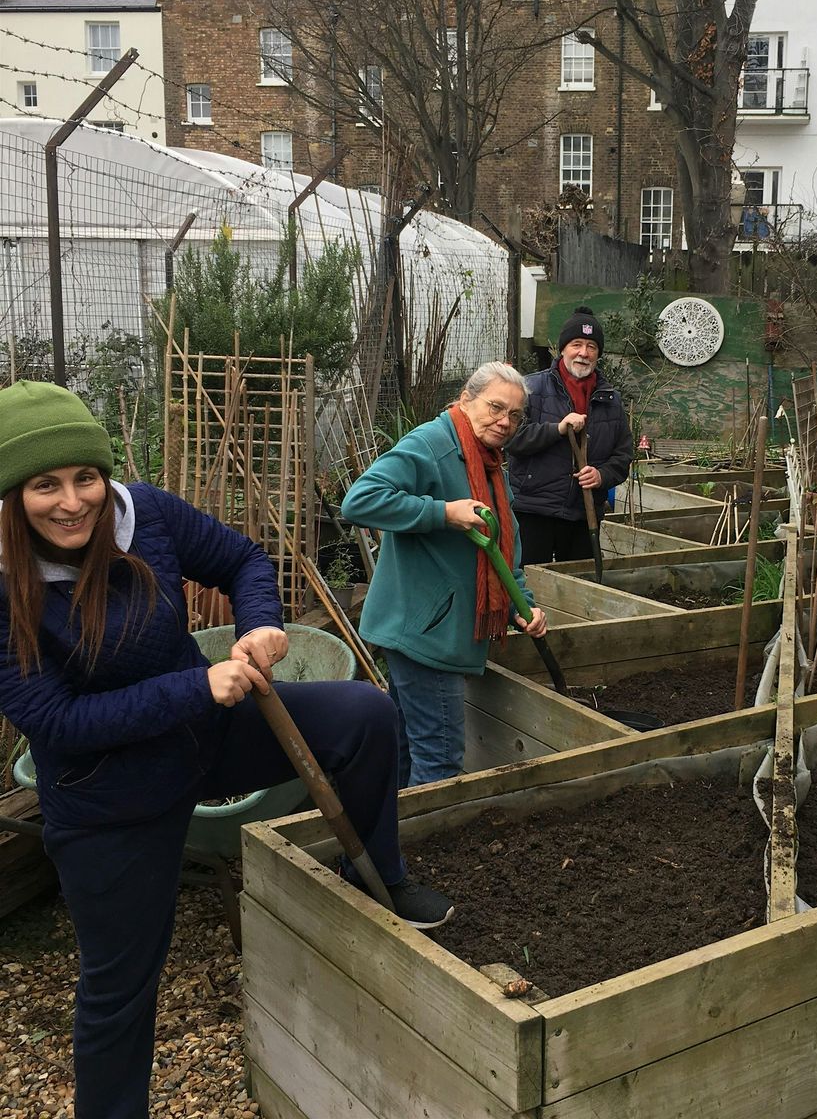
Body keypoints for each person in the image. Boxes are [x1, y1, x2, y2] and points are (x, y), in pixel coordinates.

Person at [0, 381, 452, 1119]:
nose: (73, 500)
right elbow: (57, 721)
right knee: (120, 989)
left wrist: (261, 623)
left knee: (364, 715)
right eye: (44, 485)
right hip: (107, 795)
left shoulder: (143, 514)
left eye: (85, 476)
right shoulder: (5, 583)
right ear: (13, 496)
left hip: (203, 738)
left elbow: (242, 558)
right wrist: (195, 689)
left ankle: (382, 876)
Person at [340, 362, 548, 788]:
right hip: (426, 635)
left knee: (402, 749)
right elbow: (359, 501)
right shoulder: (432, 444)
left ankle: (385, 843)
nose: (504, 421)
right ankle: (418, 849)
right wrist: (442, 512)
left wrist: (521, 606)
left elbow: (505, 547)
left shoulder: (489, 463)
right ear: (466, 400)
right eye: (495, 407)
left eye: (514, 414)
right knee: (440, 759)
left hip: (431, 628)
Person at [506, 307, 634, 564]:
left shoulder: (611, 401)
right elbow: (511, 439)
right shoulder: (530, 388)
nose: (583, 353)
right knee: (528, 585)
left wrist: (601, 475)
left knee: (577, 588)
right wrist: (557, 429)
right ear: (562, 349)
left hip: (583, 514)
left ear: (598, 354)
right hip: (534, 509)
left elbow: (623, 456)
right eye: (576, 344)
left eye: (591, 346)